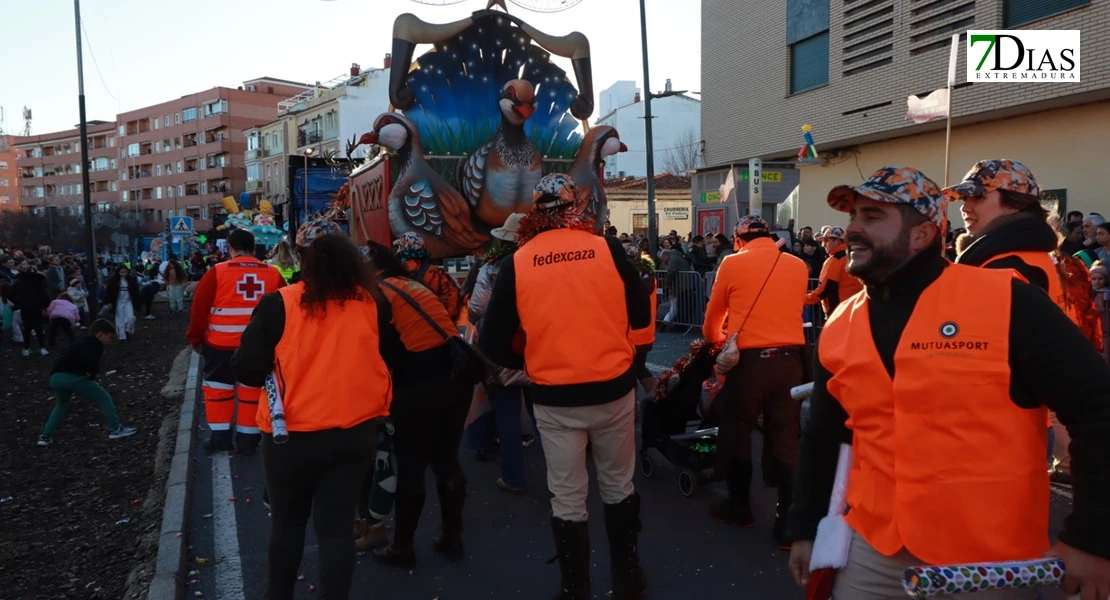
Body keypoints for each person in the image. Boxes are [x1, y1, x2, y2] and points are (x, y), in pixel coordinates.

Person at [787, 166, 1110, 600]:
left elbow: (1097, 408)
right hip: (873, 547)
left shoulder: (1006, 298)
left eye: (872, 216)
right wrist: (806, 527)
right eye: (853, 216)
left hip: (987, 561)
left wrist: (1092, 537)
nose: (853, 230)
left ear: (922, 234)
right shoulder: (842, 321)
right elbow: (824, 434)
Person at [479, 174, 652, 600]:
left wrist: (533, 361)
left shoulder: (518, 261)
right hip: (613, 389)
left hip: (554, 397)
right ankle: (628, 579)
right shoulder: (608, 249)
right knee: (618, 486)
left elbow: (492, 342)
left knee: (567, 497)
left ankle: (575, 589)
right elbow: (640, 314)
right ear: (577, 207)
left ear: (535, 211)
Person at [232, 219, 402, 600]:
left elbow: (245, 368)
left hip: (291, 437)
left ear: (301, 257)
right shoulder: (371, 302)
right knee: (337, 530)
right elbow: (383, 355)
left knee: (288, 526)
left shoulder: (280, 304)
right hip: (354, 433)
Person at [944, 159, 1102, 486]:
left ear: (1014, 203)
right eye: (964, 199)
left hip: (999, 421)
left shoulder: (1007, 263)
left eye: (977, 197)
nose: (965, 207)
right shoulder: (1023, 256)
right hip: (1013, 413)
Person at [363, 242, 473, 568]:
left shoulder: (378, 295)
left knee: (411, 464)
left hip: (418, 385)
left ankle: (402, 546)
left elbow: (381, 354)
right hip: (456, 378)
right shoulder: (412, 285)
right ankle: (452, 537)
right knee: (446, 460)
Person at [701, 215, 808, 548]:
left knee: (738, 430)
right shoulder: (797, 265)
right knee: (786, 436)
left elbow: (713, 319)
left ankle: (739, 508)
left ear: (738, 240)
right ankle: (786, 525)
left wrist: (718, 340)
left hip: (749, 363)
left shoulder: (733, 263)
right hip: (791, 360)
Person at [187, 229, 286, 454]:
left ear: (230, 248)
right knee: (252, 391)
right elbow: (285, 309)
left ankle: (220, 438)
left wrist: (195, 337)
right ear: (253, 248)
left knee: (218, 391)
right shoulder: (273, 274)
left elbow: (199, 309)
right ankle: (248, 441)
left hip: (219, 346)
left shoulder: (217, 272)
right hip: (257, 348)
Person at [466, 213, 534, 494]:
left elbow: (477, 308)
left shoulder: (492, 268)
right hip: (538, 347)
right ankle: (561, 477)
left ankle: (514, 477)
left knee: (506, 412)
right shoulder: (538, 262)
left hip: (503, 347)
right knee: (546, 414)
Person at [36, 319, 136, 446]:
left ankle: (45, 436)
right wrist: (91, 374)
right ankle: (116, 429)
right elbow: (89, 361)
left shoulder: (79, 341)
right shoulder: (96, 344)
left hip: (56, 377)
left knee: (62, 404)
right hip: (73, 377)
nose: (111, 341)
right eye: (110, 337)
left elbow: (65, 354)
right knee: (103, 398)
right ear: (100, 334)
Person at [393, 232, 461, 320]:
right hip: (434, 321)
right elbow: (452, 298)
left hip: (408, 323)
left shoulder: (395, 274)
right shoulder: (435, 272)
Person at [805, 226, 863, 317]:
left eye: (826, 241)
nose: (823, 245)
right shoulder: (855, 257)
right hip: (856, 309)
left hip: (839, 311)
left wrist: (804, 300)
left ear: (837, 241)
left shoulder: (835, 260)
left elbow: (825, 289)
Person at [10, 262, 50, 356]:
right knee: (38, 327)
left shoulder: (19, 282)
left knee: (27, 328)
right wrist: (45, 307)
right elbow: (44, 295)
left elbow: (12, 295)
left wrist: (19, 304)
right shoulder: (39, 282)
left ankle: (26, 349)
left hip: (25, 308)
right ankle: (42, 348)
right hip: (37, 307)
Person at [104, 266, 139, 342]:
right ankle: (121, 336)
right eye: (122, 272)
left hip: (128, 301)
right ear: (118, 273)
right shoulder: (113, 281)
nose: (123, 274)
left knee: (130, 317)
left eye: (125, 272)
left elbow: (135, 291)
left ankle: (127, 330)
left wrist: (136, 300)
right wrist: (109, 302)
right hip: (119, 301)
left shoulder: (131, 280)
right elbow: (109, 292)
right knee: (120, 319)